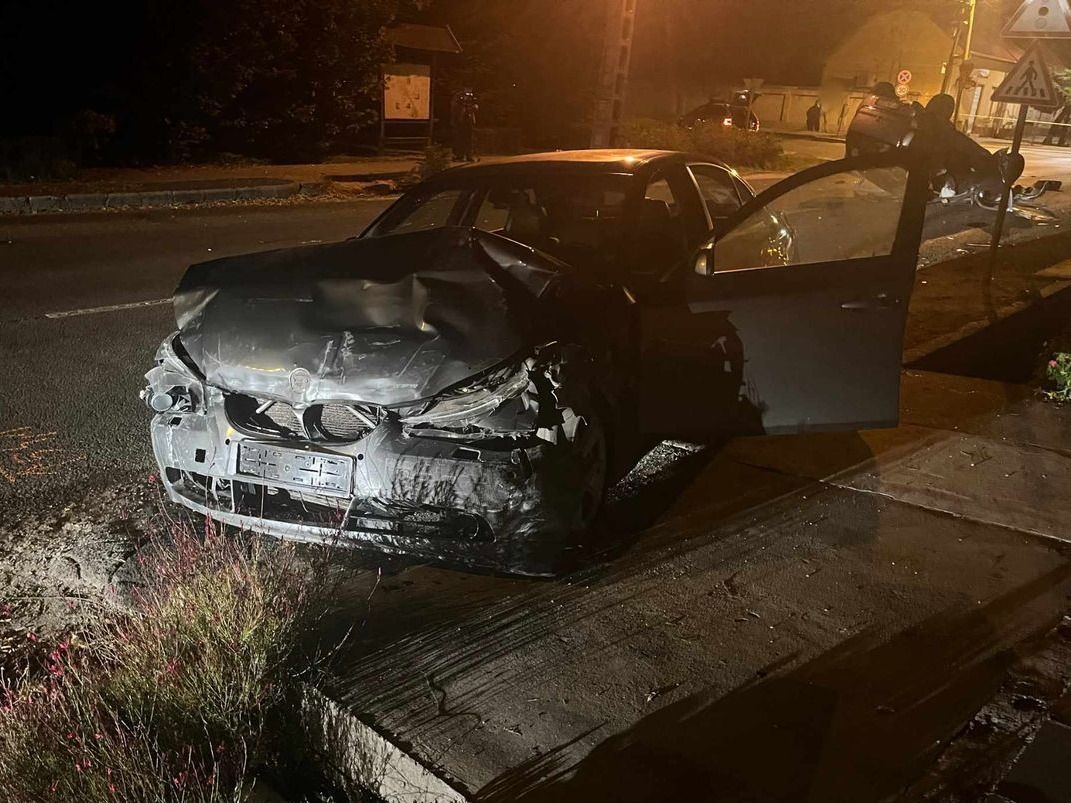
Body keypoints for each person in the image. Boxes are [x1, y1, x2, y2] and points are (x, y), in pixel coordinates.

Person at [452, 89, 479, 163]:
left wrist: (473, 107)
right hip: (460, 123)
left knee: (469, 140)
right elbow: (455, 110)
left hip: (469, 123)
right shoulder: (458, 99)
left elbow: (475, 108)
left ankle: (469, 155)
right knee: (460, 139)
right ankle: (459, 155)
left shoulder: (472, 101)